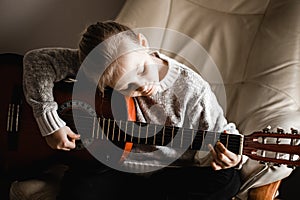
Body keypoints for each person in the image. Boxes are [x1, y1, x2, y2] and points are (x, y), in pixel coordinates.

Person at [23, 21, 245, 200]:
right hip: (110, 164)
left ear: (143, 43)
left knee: (227, 180)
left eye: (142, 69)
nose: (142, 84)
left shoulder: (192, 89)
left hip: (169, 173)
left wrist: (230, 158)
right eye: (127, 86)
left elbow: (220, 133)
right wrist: (49, 120)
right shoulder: (99, 65)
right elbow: (36, 60)